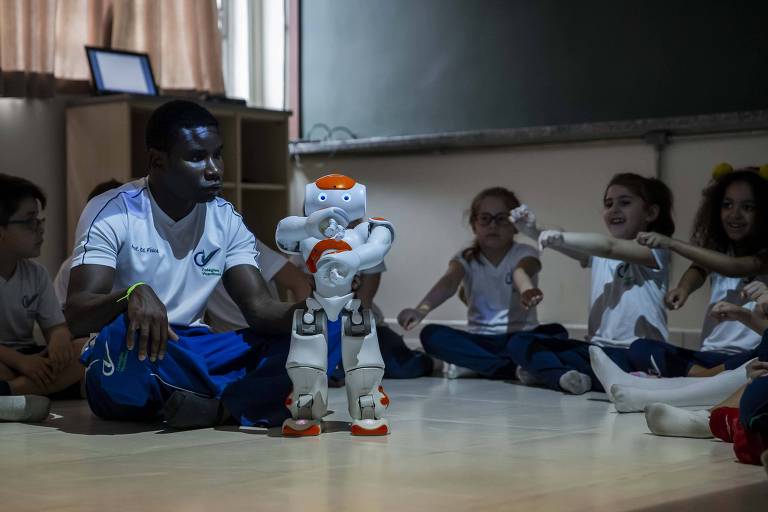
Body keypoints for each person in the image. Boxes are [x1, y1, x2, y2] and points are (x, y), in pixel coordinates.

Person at [65, 100, 296, 429]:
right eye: (197, 157)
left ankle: (218, 409)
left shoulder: (226, 219)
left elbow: (259, 309)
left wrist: (318, 310)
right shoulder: (113, 211)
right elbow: (76, 315)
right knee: (122, 334)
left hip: (196, 347)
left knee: (319, 331)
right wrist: (130, 295)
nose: (214, 169)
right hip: (134, 350)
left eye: (218, 154)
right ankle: (236, 397)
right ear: (157, 161)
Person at [507, 173, 674, 394]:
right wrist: (532, 229)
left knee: (537, 358)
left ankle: (551, 372)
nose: (614, 210)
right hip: (599, 352)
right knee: (521, 342)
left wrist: (561, 237)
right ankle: (565, 377)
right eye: (608, 204)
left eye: (624, 202)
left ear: (651, 213)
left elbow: (609, 247)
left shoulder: (655, 250)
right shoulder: (597, 255)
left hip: (636, 353)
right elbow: (568, 244)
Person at [398, 187, 561, 381]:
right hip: (480, 341)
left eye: (501, 219)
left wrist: (527, 290)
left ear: (516, 225)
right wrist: (421, 310)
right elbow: (449, 282)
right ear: (474, 225)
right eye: (485, 218)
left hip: (520, 338)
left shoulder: (525, 252)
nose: (493, 225)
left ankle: (478, 365)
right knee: (431, 335)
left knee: (557, 333)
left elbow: (521, 271)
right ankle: (513, 369)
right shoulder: (466, 258)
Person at [0, 175, 83, 422]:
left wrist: (59, 341)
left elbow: (56, 327)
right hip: (10, 359)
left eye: (39, 220)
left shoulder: (36, 273)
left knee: (86, 349)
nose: (40, 229)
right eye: (29, 222)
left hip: (29, 356)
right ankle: (36, 389)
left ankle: (10, 391)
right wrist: (22, 363)